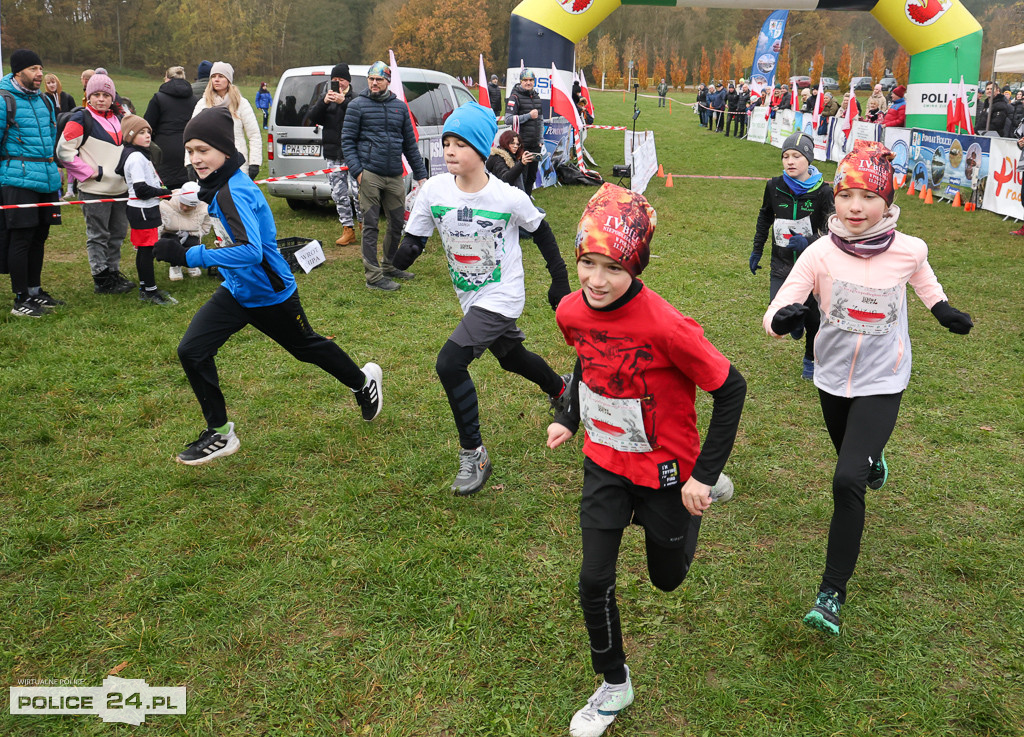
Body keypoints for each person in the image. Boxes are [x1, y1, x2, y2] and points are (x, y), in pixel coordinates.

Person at [547, 183, 746, 737]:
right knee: (593, 579)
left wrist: (701, 475)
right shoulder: (570, 309)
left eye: (612, 267)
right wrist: (568, 414)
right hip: (605, 462)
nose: (596, 279)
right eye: (587, 262)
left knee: (666, 580)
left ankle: (703, 497)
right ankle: (614, 682)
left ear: (637, 266)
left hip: (667, 471)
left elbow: (731, 389)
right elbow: (588, 362)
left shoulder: (666, 326)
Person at [763, 140, 973, 636]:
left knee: (845, 480)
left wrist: (942, 310)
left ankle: (831, 593)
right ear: (834, 200)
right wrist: (782, 318)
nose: (855, 207)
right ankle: (872, 461)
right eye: (846, 195)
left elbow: (924, 281)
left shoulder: (908, 249)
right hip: (832, 378)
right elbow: (778, 307)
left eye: (868, 197)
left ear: (887, 201)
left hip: (884, 377)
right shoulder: (817, 254)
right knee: (853, 462)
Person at [153, 106, 384, 465]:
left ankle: (362, 382)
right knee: (192, 351)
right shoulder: (214, 185)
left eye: (203, 150)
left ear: (224, 151)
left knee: (306, 348)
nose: (195, 158)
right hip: (236, 290)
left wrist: (190, 256)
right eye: (191, 150)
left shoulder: (234, 191)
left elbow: (250, 251)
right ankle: (220, 433)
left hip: (269, 292)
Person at [393, 103, 572, 496]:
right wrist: (402, 252)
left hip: (503, 294)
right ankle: (562, 389)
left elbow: (540, 230)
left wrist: (559, 281)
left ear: (479, 148)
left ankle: (475, 454)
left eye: (460, 143)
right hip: (471, 296)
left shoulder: (506, 196)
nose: (450, 151)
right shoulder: (434, 190)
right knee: (511, 359)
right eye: (446, 143)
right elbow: (415, 239)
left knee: (449, 363)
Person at [749, 133, 834, 379]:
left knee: (815, 320)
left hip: (814, 267)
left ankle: (810, 359)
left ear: (808, 159)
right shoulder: (774, 186)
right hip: (782, 263)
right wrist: (757, 249)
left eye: (797, 156)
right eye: (785, 156)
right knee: (778, 312)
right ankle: (795, 324)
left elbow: (832, 233)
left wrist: (808, 242)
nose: (790, 161)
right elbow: (765, 216)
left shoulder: (824, 192)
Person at [341, 61, 428, 292]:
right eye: (371, 79)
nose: (374, 83)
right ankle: (373, 276)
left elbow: (410, 146)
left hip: (394, 175)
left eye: (379, 79)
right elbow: (347, 141)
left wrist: (421, 176)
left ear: (388, 81)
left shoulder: (399, 108)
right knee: (370, 225)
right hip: (369, 173)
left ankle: (389, 265)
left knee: (397, 223)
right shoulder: (357, 105)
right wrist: (358, 172)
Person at [57, 72, 136, 295]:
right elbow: (64, 151)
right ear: (88, 97)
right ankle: (101, 277)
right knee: (98, 235)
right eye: (96, 94)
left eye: (105, 95)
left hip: (120, 189)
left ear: (113, 97)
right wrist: (90, 172)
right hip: (95, 190)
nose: (101, 99)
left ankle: (113, 272)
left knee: (118, 233)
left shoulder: (120, 119)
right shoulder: (81, 119)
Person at [0, 49, 64, 317]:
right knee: (22, 237)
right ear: (18, 72)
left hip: (47, 177)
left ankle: (35, 291)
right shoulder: (4, 100)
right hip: (17, 178)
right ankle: (20, 298)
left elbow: (51, 137)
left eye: (40, 68)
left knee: (40, 236)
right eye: (33, 69)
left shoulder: (45, 101)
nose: (39, 74)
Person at [115, 115, 176, 305]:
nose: (147, 135)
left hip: (147, 208)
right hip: (142, 209)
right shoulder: (135, 157)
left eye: (148, 131)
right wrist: (164, 192)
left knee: (146, 250)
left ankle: (146, 287)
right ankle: (149, 291)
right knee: (146, 251)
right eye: (141, 132)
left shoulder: (140, 154)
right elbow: (141, 189)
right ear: (130, 136)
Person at [308, 64, 358, 247]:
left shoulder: (356, 99)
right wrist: (325, 102)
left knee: (359, 193)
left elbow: (360, 115)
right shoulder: (326, 98)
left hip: (354, 154)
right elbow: (312, 117)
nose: (338, 83)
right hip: (332, 153)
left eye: (341, 80)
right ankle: (348, 229)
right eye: (335, 80)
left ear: (348, 81)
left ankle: (364, 226)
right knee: (339, 194)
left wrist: (342, 102)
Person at [189, 62, 261, 182]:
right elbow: (191, 135)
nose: (216, 80)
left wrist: (255, 162)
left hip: (236, 161)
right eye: (213, 76)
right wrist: (189, 163)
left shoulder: (241, 103)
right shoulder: (203, 104)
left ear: (228, 80)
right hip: (208, 162)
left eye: (221, 76)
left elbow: (254, 135)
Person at [143, 66, 198, 190]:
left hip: (165, 150)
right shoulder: (195, 99)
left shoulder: (158, 98)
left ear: (167, 79)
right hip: (189, 149)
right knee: (189, 193)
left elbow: (147, 125)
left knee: (170, 196)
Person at [504, 69, 544, 195]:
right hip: (521, 145)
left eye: (531, 80)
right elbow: (508, 119)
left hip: (535, 145)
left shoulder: (536, 97)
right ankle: (520, 205)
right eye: (525, 80)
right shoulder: (515, 97)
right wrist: (528, 116)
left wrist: (541, 140)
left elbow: (541, 120)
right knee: (522, 177)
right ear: (521, 81)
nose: (528, 83)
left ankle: (527, 203)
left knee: (531, 177)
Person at [160, 181, 210, 280]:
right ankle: (175, 266)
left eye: (189, 206)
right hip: (170, 233)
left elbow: (207, 224)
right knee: (172, 243)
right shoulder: (166, 203)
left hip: (192, 232)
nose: (184, 208)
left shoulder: (205, 206)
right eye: (183, 204)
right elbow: (159, 225)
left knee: (193, 243)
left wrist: (197, 233)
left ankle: (191, 264)